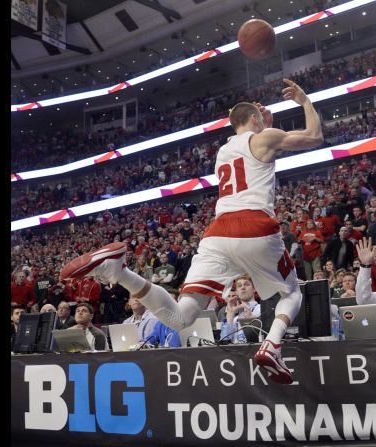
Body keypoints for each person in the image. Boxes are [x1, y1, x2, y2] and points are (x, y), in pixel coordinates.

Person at [61, 79, 323, 385]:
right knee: (291, 292)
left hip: (218, 234)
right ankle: (272, 345)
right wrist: (304, 100)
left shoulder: (223, 152)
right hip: (254, 225)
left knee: (179, 318)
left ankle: (118, 271)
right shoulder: (263, 138)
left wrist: (264, 124)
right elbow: (313, 136)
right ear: (255, 119)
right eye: (260, 118)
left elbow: (258, 151)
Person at [220, 274, 261, 342]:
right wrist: (230, 314)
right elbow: (224, 343)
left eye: (247, 284)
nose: (243, 288)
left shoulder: (262, 309)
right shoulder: (235, 318)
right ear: (237, 292)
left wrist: (250, 321)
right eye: (239, 286)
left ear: (254, 289)